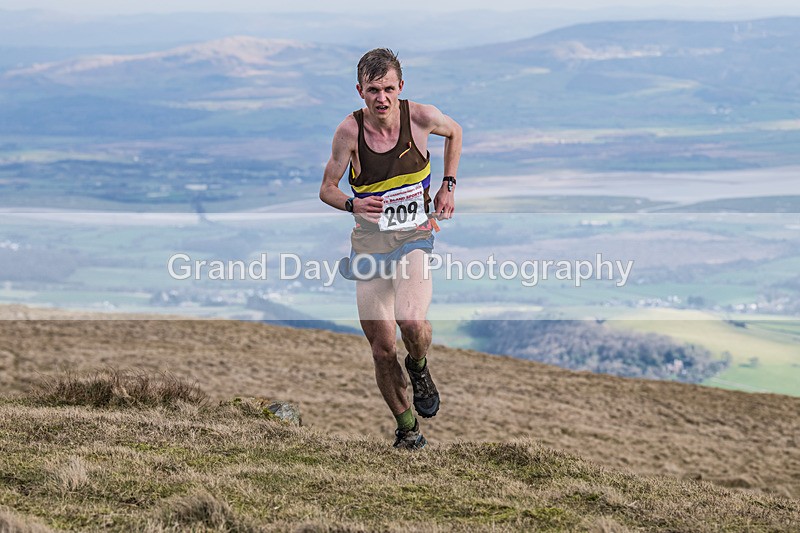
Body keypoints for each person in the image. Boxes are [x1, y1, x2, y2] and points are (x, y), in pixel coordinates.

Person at [319, 48, 462, 450]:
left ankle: (418, 367)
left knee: (412, 322)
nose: (381, 98)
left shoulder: (420, 117)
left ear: (401, 87)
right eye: (372, 90)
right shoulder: (349, 132)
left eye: (388, 89)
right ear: (360, 91)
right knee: (382, 349)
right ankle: (408, 431)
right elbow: (326, 189)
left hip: (414, 234)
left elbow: (456, 132)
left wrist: (448, 184)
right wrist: (352, 203)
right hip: (369, 244)